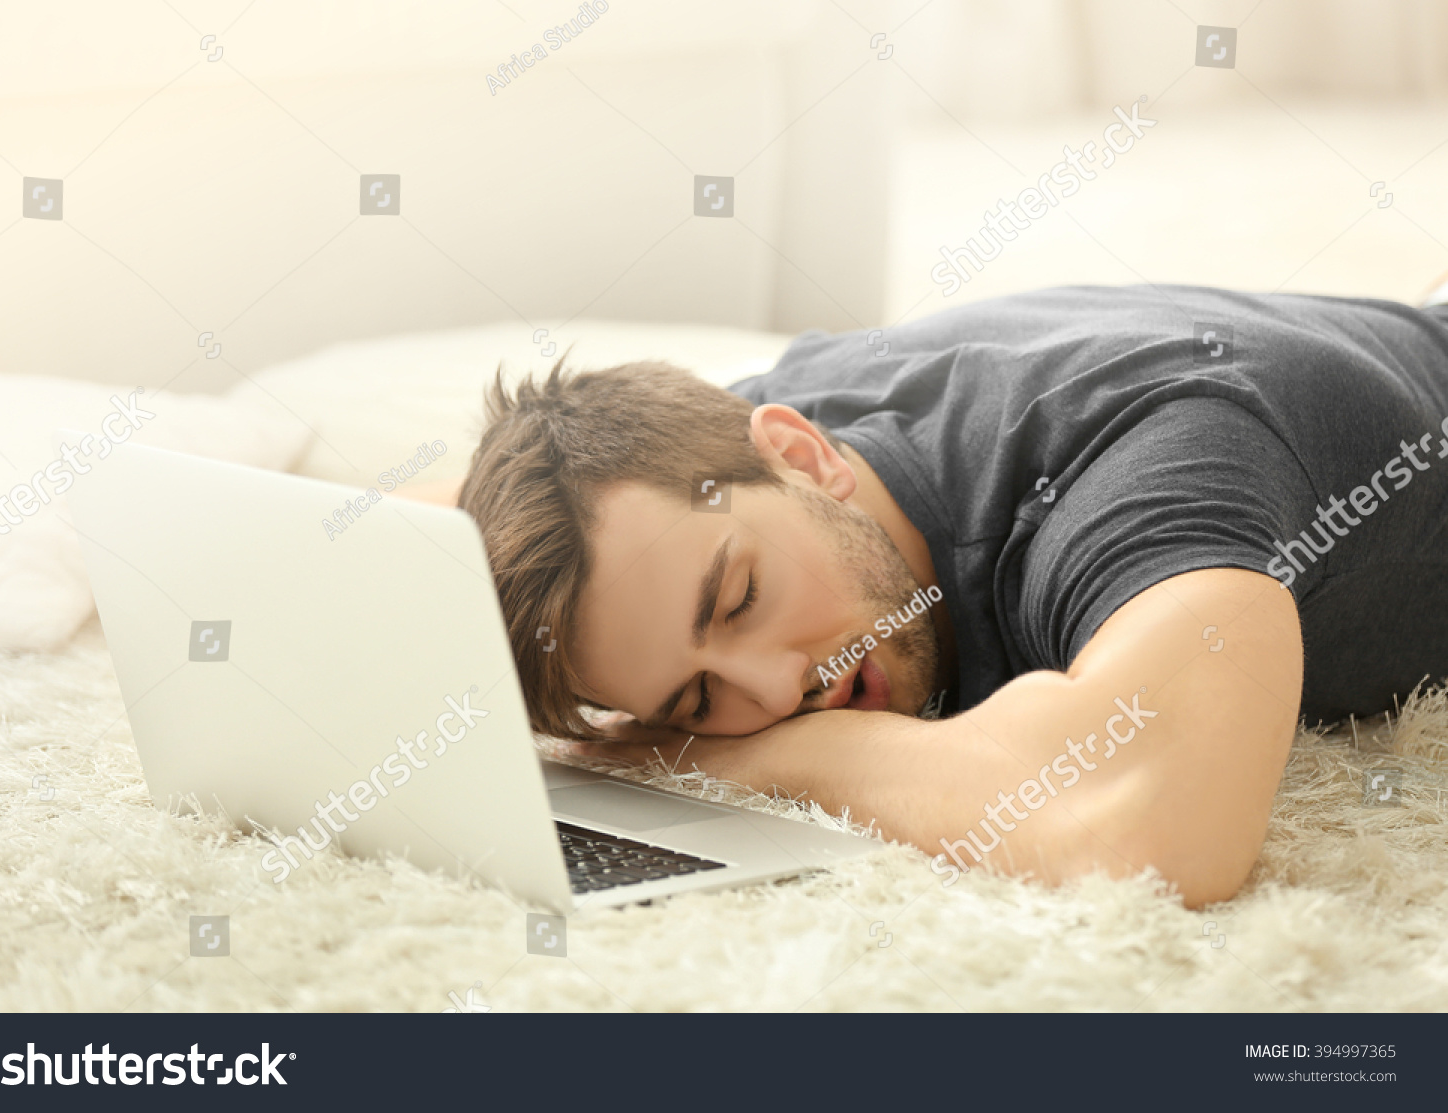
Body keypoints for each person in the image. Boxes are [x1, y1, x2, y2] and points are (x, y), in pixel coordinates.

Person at [400, 282, 1448, 906]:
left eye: (737, 601)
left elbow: (1156, 827)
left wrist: (754, 755)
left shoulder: (1149, 470)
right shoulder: (737, 461)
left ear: (802, 453)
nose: (774, 685)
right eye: (693, 702)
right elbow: (459, 510)